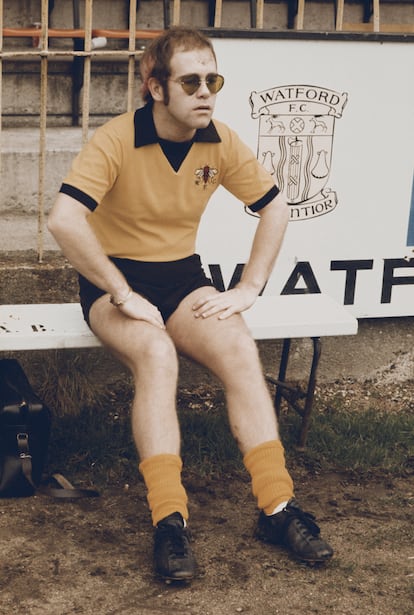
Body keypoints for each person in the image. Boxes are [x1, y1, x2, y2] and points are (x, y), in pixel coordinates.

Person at [48, 26, 333, 583]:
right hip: (115, 283)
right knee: (157, 357)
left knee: (238, 348)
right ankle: (170, 521)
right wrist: (121, 292)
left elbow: (275, 207)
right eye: (191, 81)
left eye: (213, 79)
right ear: (155, 87)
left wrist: (249, 287)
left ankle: (277, 509)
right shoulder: (114, 139)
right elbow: (63, 220)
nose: (206, 91)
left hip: (181, 277)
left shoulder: (220, 140)